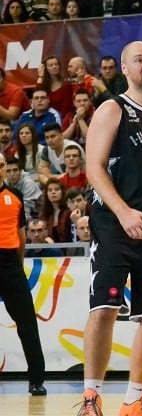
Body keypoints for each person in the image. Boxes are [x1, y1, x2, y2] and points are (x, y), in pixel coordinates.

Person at [77, 41, 142, 416]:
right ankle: (91, 398)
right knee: (105, 307)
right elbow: (94, 169)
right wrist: (123, 213)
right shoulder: (112, 108)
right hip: (115, 221)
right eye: (140, 60)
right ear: (124, 68)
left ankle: (136, 399)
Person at [0, 152, 46, 397]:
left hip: (9, 264)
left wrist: (17, 264)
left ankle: (36, 380)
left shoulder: (15, 196)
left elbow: (20, 235)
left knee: (27, 323)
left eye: (1, 165)